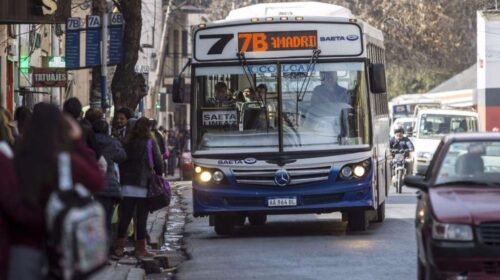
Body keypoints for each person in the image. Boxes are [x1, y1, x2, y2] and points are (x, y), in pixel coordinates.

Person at [4, 103, 105, 280]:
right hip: (61, 244)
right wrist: (77, 141)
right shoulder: (66, 160)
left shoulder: (15, 158)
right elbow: (97, 181)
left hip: (23, 245)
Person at [114, 117, 163, 258]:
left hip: (127, 185)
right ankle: (140, 249)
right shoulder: (150, 142)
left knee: (125, 217)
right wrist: (158, 175)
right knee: (141, 218)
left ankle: (119, 247)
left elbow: (121, 161)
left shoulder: (127, 142)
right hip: (143, 185)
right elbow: (158, 162)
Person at [92, 119, 126, 253]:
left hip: (92, 186)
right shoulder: (112, 142)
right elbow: (122, 156)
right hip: (109, 186)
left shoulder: (89, 141)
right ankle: (103, 252)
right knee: (105, 220)